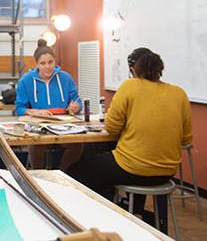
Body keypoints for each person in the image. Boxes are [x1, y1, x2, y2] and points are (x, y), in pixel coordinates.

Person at [66, 47, 192, 217]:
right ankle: (134, 211)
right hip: (166, 172)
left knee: (76, 171)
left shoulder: (130, 86)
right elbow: (185, 140)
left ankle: (109, 213)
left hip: (133, 169)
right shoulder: (179, 93)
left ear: (133, 70)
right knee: (110, 159)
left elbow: (111, 127)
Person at [15, 38, 82, 170]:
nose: (48, 67)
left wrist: (76, 106)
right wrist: (35, 112)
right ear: (37, 64)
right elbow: (19, 108)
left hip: (63, 124)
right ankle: (39, 177)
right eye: (43, 63)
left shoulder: (65, 77)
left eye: (50, 62)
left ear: (55, 61)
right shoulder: (26, 81)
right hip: (39, 126)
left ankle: (62, 172)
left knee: (78, 145)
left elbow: (77, 100)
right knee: (36, 144)